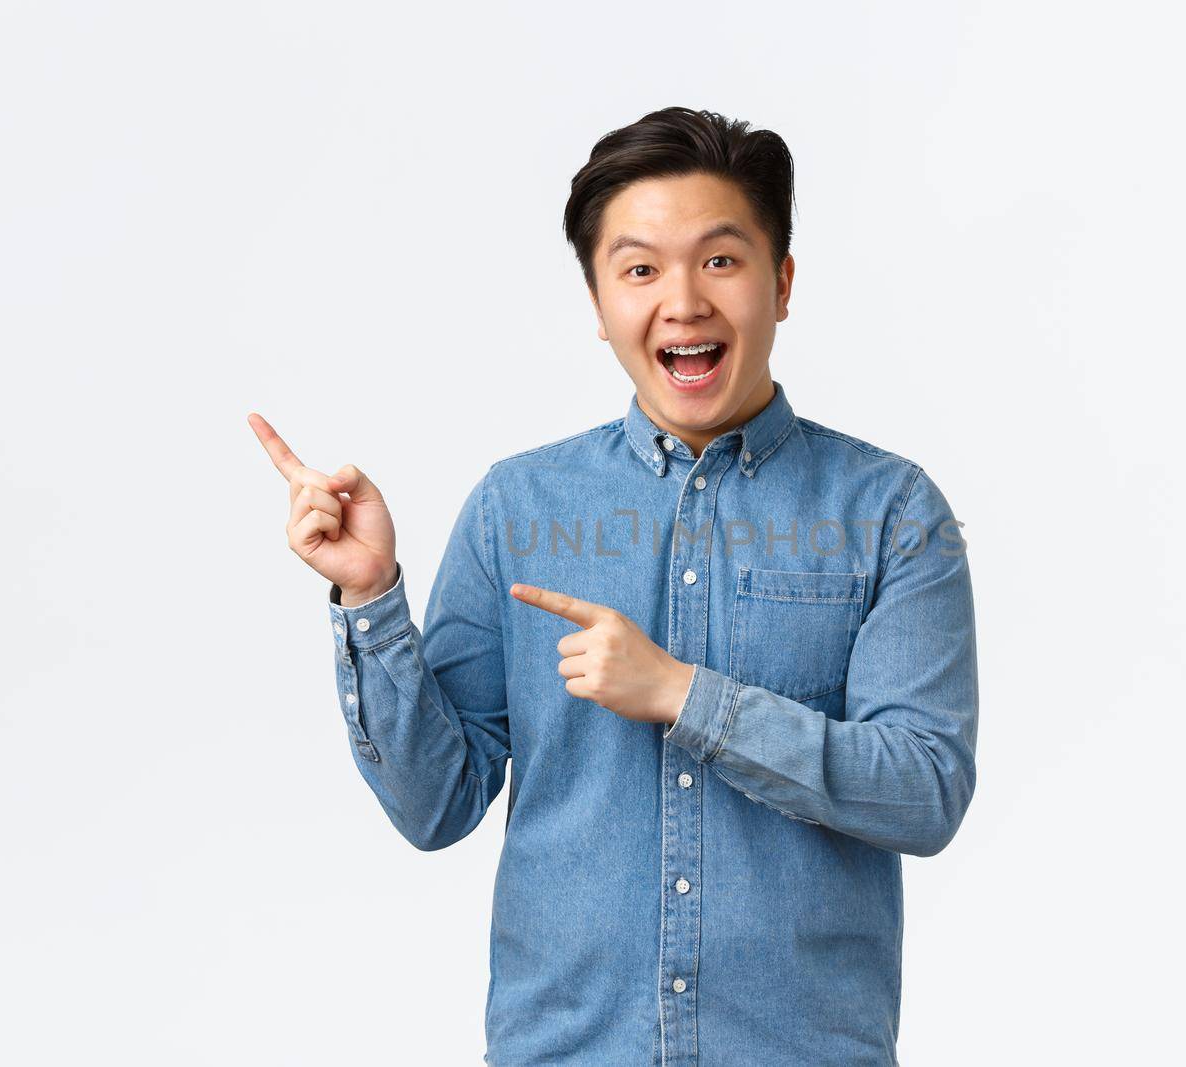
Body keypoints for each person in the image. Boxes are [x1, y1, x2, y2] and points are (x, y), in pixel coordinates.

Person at [250, 106, 978, 1066]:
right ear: (598, 306)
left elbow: (924, 791)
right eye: (639, 269)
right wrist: (371, 598)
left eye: (721, 260)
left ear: (783, 283)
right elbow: (437, 805)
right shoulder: (518, 507)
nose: (682, 301)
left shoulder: (893, 510)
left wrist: (683, 695)